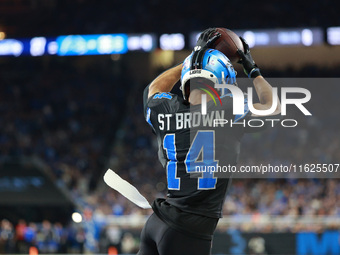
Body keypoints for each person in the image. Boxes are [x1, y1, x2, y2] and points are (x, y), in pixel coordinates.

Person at [138, 28, 281, 255]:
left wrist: (193, 58)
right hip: (188, 232)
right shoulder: (227, 109)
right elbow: (273, 107)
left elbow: (154, 89)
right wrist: (252, 69)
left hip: (157, 222)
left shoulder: (166, 109)